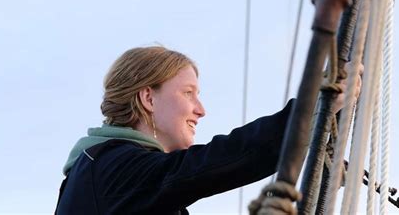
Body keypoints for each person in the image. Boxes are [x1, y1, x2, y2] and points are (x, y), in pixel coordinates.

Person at [55, 46, 360, 215]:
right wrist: (310, 109)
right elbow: (213, 162)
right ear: (148, 98)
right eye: (188, 93)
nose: (200, 110)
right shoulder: (112, 169)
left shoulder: (116, 177)